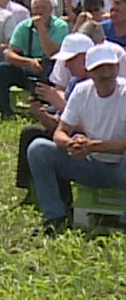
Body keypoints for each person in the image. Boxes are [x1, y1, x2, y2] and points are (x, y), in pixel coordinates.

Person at [27, 43, 126, 235]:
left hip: (121, 167)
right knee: (38, 149)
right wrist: (71, 144)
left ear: (117, 68)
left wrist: (92, 146)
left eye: (110, 67)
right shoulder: (81, 91)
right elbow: (60, 132)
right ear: (89, 71)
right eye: (99, 68)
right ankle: (54, 218)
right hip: (90, 164)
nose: (106, 73)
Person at [13, 32, 91, 208]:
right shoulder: (73, 84)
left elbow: (96, 127)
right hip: (69, 135)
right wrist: (42, 114)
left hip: (87, 142)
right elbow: (59, 124)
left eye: (71, 60)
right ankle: (33, 190)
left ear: (85, 58)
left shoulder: (99, 87)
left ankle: (62, 201)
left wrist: (61, 104)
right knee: (31, 133)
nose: (67, 66)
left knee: (49, 145)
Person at [0, 0, 69, 119]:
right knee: (2, 68)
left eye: (43, 8)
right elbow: (10, 53)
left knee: (52, 70)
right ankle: (5, 111)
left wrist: (41, 29)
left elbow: (53, 53)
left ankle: (49, 108)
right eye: (36, 8)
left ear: (51, 10)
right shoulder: (23, 26)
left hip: (50, 67)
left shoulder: (60, 26)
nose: (39, 12)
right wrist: (28, 62)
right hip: (28, 64)